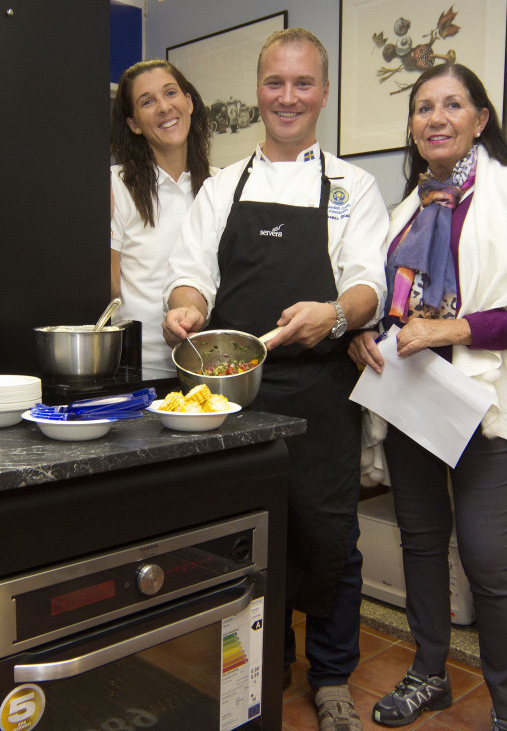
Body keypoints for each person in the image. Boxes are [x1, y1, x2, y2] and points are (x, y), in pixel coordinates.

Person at [162, 28, 389, 730]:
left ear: (322, 92)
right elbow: (192, 272)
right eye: (274, 83)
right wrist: (186, 305)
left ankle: (330, 675)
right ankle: (257, 665)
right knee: (246, 532)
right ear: (257, 91)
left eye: (302, 83)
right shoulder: (225, 185)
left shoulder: (354, 185)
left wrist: (336, 313)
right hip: (234, 391)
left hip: (322, 388)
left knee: (328, 534)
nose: (287, 97)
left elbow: (367, 285)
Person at [348, 63, 507, 730]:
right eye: (423, 107)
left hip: (482, 403)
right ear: (412, 125)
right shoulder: (404, 207)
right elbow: (392, 301)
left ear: (479, 118)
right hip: (412, 397)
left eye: (452, 105)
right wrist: (369, 335)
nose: (436, 118)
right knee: (421, 542)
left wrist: (456, 326)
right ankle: (429, 673)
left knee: (490, 560)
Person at [110, 59, 214, 370]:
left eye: (171, 93)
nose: (164, 107)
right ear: (134, 124)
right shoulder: (116, 185)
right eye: (147, 101)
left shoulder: (220, 185)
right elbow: (109, 289)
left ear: (189, 102)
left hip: (210, 365)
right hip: (139, 370)